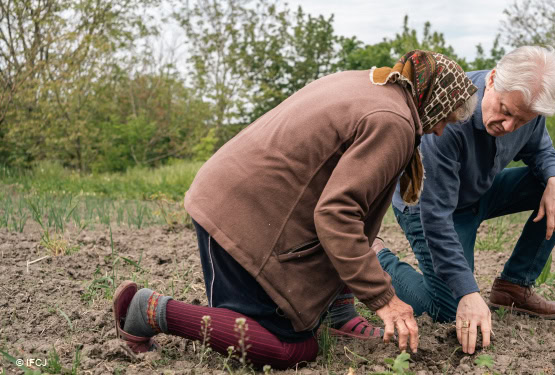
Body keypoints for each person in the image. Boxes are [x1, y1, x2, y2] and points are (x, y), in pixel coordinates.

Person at [111, 50, 479, 369]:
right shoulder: (394, 122)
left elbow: (348, 206)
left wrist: (346, 300)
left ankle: (336, 313)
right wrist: (386, 300)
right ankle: (147, 311)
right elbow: (338, 214)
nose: (442, 131)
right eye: (446, 118)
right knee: (291, 347)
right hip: (241, 220)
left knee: (302, 318)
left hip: (240, 201)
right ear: (434, 99)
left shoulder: (373, 85)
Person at [375, 46, 555, 355]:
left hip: (478, 193)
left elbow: (541, 148)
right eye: (505, 110)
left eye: (522, 119)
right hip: (427, 207)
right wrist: (468, 292)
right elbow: (435, 217)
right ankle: (378, 257)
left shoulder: (527, 110)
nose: (509, 126)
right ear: (491, 80)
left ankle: (513, 286)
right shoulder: (449, 119)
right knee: (448, 308)